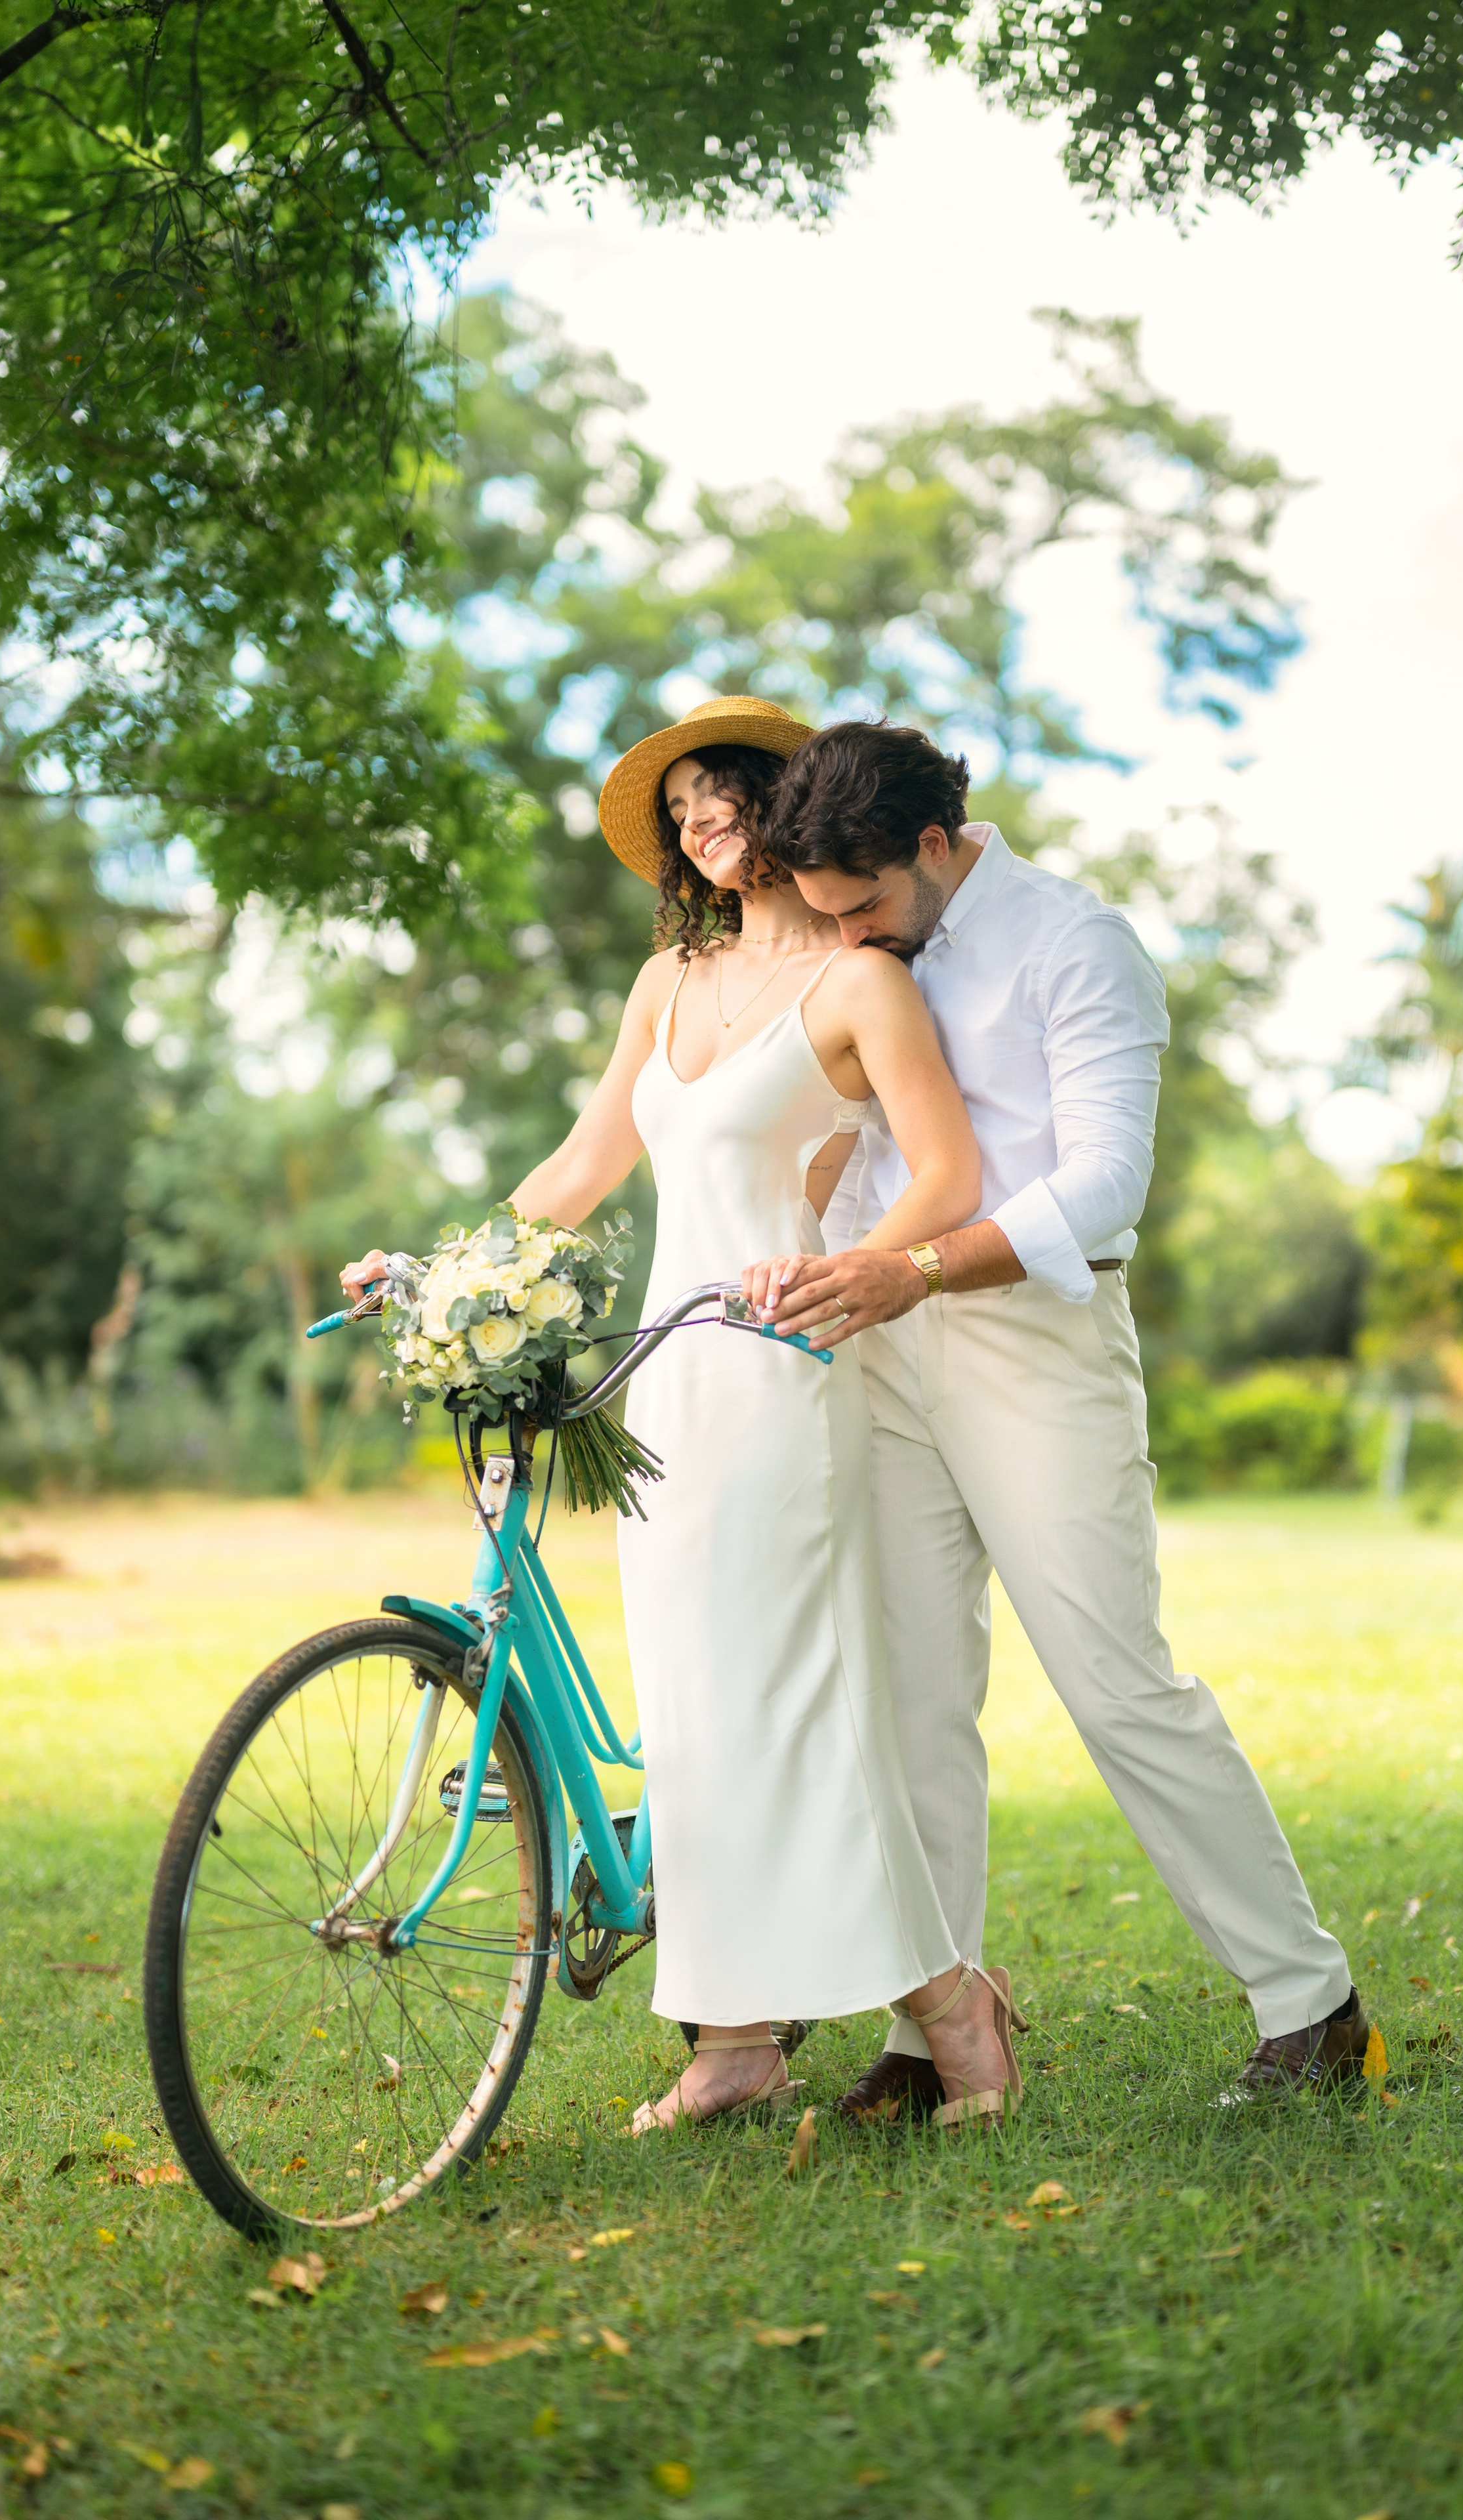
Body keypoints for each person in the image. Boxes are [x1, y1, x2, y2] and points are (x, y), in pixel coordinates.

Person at [340, 696, 1021, 2133]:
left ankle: (956, 2010)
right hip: (662, 1380)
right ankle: (731, 2043)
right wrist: (442, 1267)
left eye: (727, 804)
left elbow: (947, 1178)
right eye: (686, 818)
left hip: (786, 1373)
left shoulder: (855, 983)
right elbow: (587, 1160)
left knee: (790, 1707)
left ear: (787, 803)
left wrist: (847, 1266)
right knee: (694, 1715)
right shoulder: (669, 978)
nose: (706, 832)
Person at [749, 719, 1369, 2114]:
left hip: (1034, 1335)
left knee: (1115, 1682)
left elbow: (1101, 1185)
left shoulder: (1079, 946)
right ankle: (932, 2024)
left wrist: (910, 1268)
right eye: (824, 913)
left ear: (929, 843)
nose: (846, 935)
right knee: (907, 1695)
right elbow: (865, 1158)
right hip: (887, 1344)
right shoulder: (869, 952)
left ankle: (1308, 2006)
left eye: (861, 905)